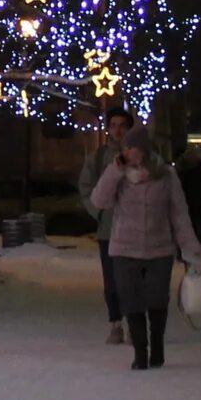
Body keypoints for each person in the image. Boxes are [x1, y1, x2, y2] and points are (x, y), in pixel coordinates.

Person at [90, 126, 201, 369]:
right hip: (124, 248)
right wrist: (114, 170)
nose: (130, 152)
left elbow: (179, 214)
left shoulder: (166, 175)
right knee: (130, 300)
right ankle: (140, 353)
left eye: (134, 147)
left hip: (158, 248)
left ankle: (157, 345)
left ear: (145, 149)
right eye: (126, 148)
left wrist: (190, 248)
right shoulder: (118, 175)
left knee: (157, 298)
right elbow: (99, 200)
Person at [77, 131, 127, 343]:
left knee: (135, 279)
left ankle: (135, 322)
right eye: (113, 125)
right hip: (108, 230)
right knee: (112, 281)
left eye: (122, 125)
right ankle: (116, 323)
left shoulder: (141, 155)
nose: (117, 130)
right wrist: (97, 211)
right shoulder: (97, 159)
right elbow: (86, 187)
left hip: (137, 230)